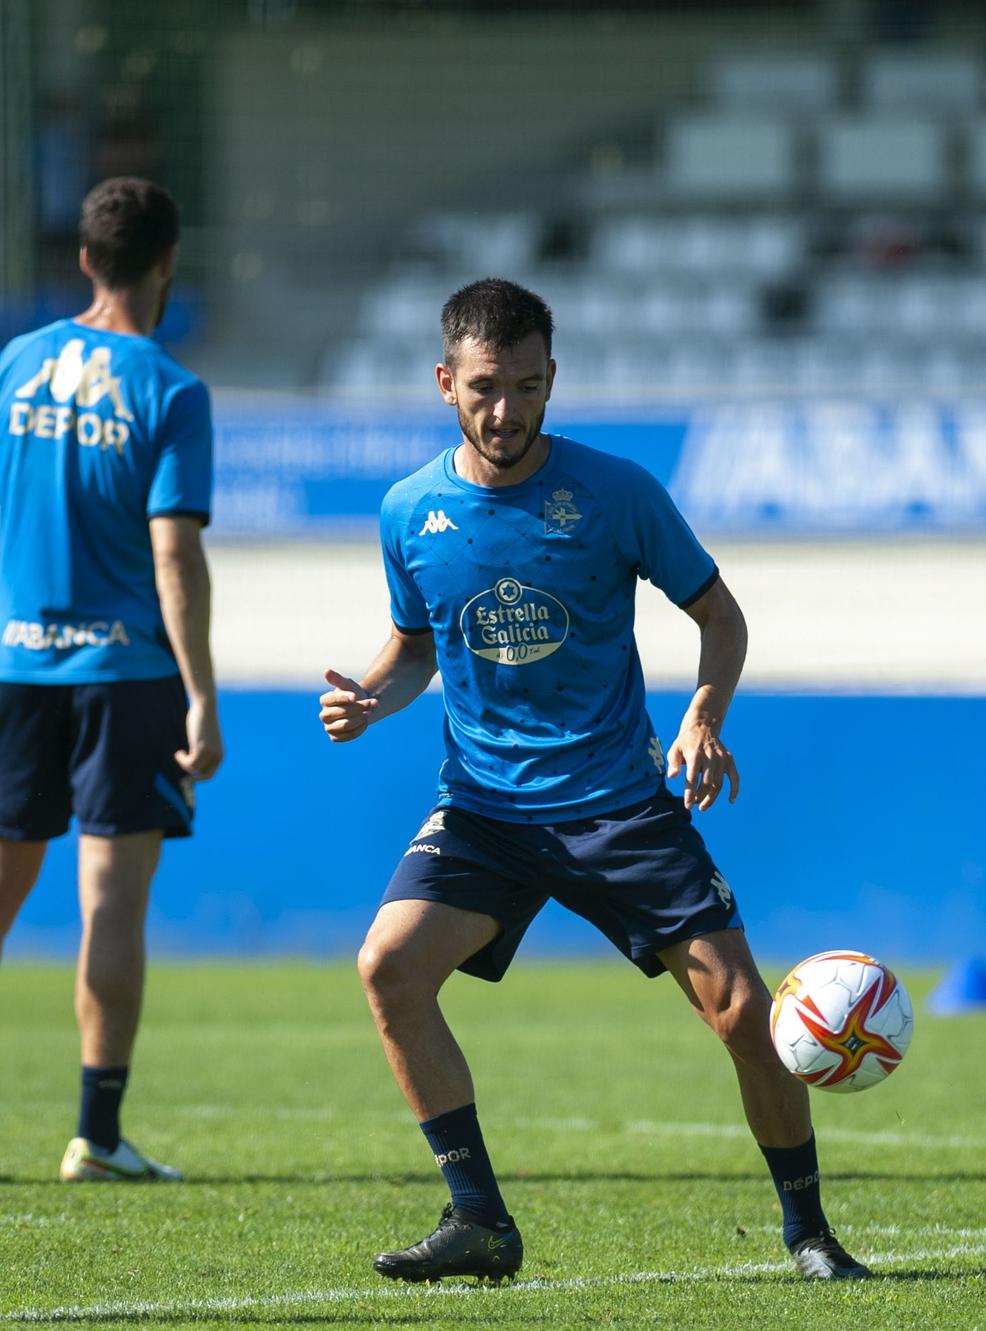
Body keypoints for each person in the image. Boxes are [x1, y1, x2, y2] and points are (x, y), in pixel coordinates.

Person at [318, 278, 870, 1281]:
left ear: (550, 378)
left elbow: (719, 616)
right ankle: (478, 1218)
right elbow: (413, 647)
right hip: (483, 809)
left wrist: (703, 713)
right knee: (387, 967)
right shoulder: (408, 511)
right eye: (484, 387)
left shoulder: (615, 492)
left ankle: (807, 1231)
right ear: (445, 381)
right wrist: (367, 695)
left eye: (526, 386)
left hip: (616, 805)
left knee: (745, 1013)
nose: (506, 410)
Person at [0, 177, 222, 1183]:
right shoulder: (171, 389)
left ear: (82, 258)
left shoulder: (15, 365)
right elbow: (173, 555)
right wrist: (201, 691)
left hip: (14, 665)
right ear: (167, 261)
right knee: (109, 902)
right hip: (126, 671)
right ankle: (96, 1134)